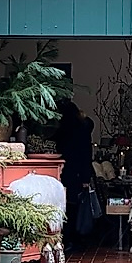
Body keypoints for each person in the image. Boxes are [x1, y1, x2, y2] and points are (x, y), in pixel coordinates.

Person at [53, 100, 95, 253]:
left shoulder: (62, 131)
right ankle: (73, 239)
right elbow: (85, 155)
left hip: (64, 172)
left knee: (65, 206)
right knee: (73, 207)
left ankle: (67, 238)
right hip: (75, 173)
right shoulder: (82, 129)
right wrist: (85, 177)